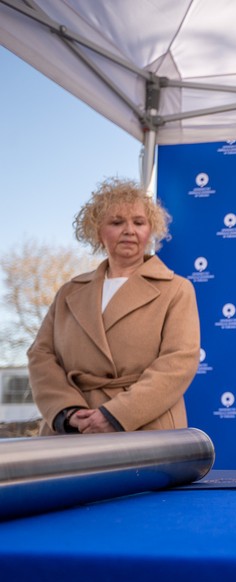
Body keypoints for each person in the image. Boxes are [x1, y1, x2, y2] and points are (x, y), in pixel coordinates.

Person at [27, 177, 201, 435]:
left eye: (139, 222)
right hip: (74, 430)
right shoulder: (69, 293)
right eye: (117, 222)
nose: (129, 230)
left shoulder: (176, 289)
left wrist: (115, 415)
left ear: (150, 230)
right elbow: (41, 356)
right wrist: (69, 412)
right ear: (98, 232)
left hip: (145, 427)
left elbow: (178, 362)